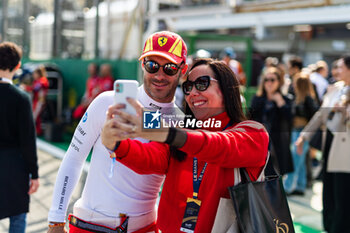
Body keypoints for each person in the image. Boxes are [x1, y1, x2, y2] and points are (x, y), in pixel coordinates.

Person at [101, 58, 269, 232]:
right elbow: (150, 157)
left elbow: (219, 145)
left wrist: (163, 130)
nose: (192, 93)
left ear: (226, 89)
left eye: (202, 83)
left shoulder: (253, 133)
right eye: (188, 87)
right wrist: (115, 144)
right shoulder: (181, 134)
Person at [47, 31, 188, 233]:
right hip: (90, 226)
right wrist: (55, 220)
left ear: (183, 70)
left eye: (170, 68)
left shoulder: (180, 122)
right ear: (142, 65)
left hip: (145, 227)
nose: (159, 75)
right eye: (152, 65)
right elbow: (74, 158)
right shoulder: (107, 101)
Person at [295, 55, 350, 233]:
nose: (336, 71)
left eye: (340, 67)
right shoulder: (334, 88)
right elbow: (320, 115)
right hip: (329, 146)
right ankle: (329, 227)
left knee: (342, 195)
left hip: (345, 150)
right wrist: (304, 136)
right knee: (328, 194)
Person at [0, 42, 40, 233]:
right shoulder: (21, 98)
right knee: (17, 217)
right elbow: (28, 140)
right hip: (16, 167)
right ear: (17, 66)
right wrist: (35, 173)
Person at [249, 67, 293, 175]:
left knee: (276, 176)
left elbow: (289, 119)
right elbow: (250, 118)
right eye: (266, 80)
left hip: (277, 144)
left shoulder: (286, 99)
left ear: (279, 82)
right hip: (260, 142)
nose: (269, 83)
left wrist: (280, 103)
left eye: (272, 80)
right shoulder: (257, 99)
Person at [283, 72, 318, 195]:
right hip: (295, 131)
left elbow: (315, 116)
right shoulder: (296, 97)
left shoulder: (308, 99)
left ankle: (287, 187)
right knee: (300, 160)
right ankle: (300, 186)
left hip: (303, 132)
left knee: (295, 160)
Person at [31, 65, 49, 135]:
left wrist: (26, 87)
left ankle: (37, 131)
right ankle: (37, 131)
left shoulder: (43, 80)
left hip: (40, 101)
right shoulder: (37, 81)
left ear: (39, 73)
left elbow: (36, 88)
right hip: (36, 101)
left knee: (35, 117)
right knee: (36, 117)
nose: (34, 75)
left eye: (35, 73)